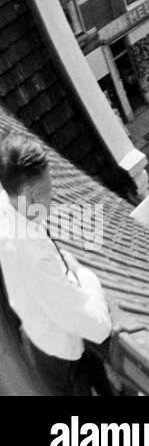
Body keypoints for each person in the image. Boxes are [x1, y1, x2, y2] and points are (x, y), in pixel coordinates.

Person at [0, 132, 112, 395]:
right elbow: (97, 325)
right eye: (48, 189)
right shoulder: (34, 258)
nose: (52, 196)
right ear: (28, 191)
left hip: (41, 335)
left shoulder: (8, 204)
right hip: (61, 358)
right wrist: (84, 275)